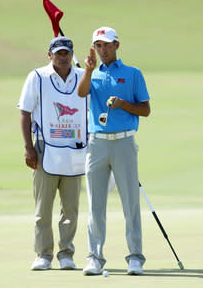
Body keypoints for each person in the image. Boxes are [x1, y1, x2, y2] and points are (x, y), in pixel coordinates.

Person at [77, 26, 151, 276]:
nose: (103, 49)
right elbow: (81, 92)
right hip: (97, 143)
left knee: (130, 202)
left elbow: (145, 109)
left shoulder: (133, 73)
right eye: (98, 45)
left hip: (124, 143)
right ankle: (95, 257)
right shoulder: (91, 73)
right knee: (95, 203)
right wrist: (87, 70)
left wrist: (123, 105)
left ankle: (135, 257)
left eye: (107, 45)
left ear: (117, 45)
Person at [18, 36, 88, 271]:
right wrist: (28, 147)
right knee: (43, 208)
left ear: (71, 54)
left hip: (75, 149)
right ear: (49, 55)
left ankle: (66, 253)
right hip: (44, 147)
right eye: (58, 53)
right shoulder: (37, 77)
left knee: (70, 208)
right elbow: (25, 112)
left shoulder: (82, 76)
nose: (62, 56)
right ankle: (44, 254)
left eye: (66, 53)